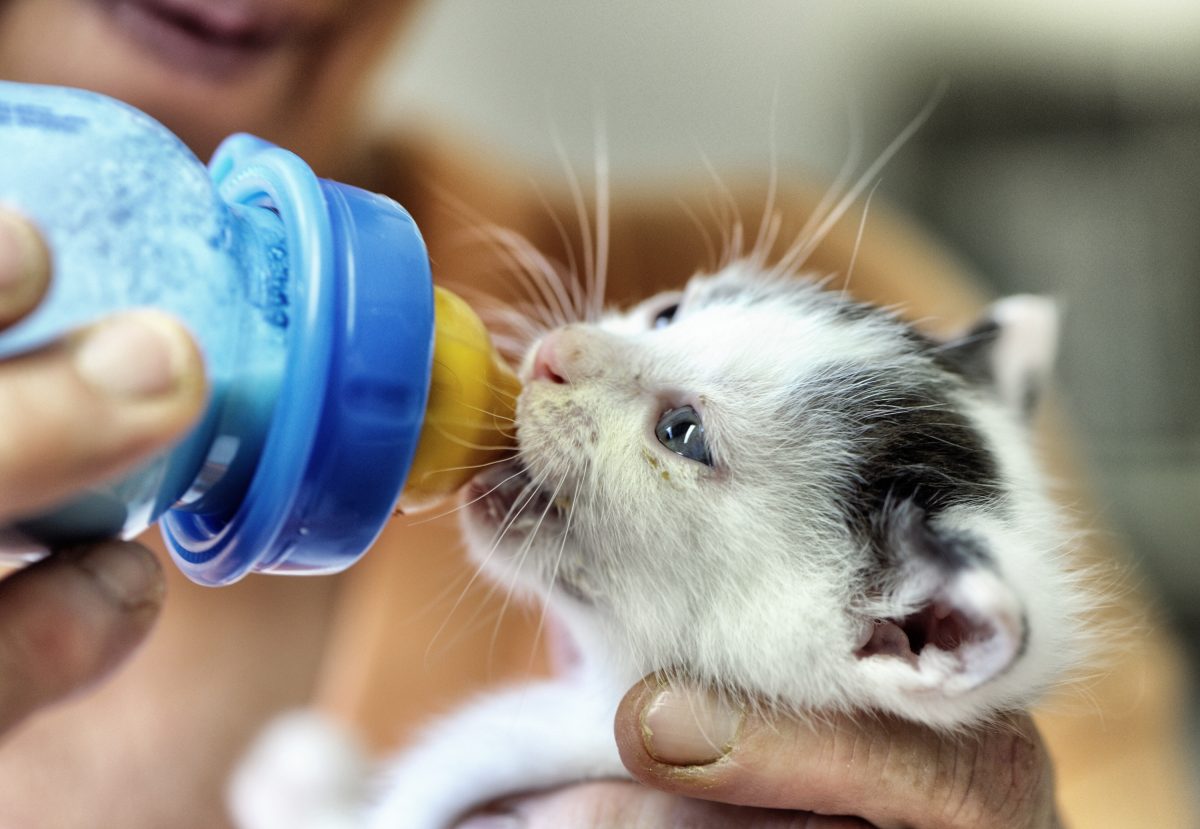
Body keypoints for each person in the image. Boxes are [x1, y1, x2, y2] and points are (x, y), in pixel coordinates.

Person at [0, 1, 1195, 826]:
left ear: (909, 631)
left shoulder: (870, 303)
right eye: (666, 311)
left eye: (683, 433)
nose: (563, 351)